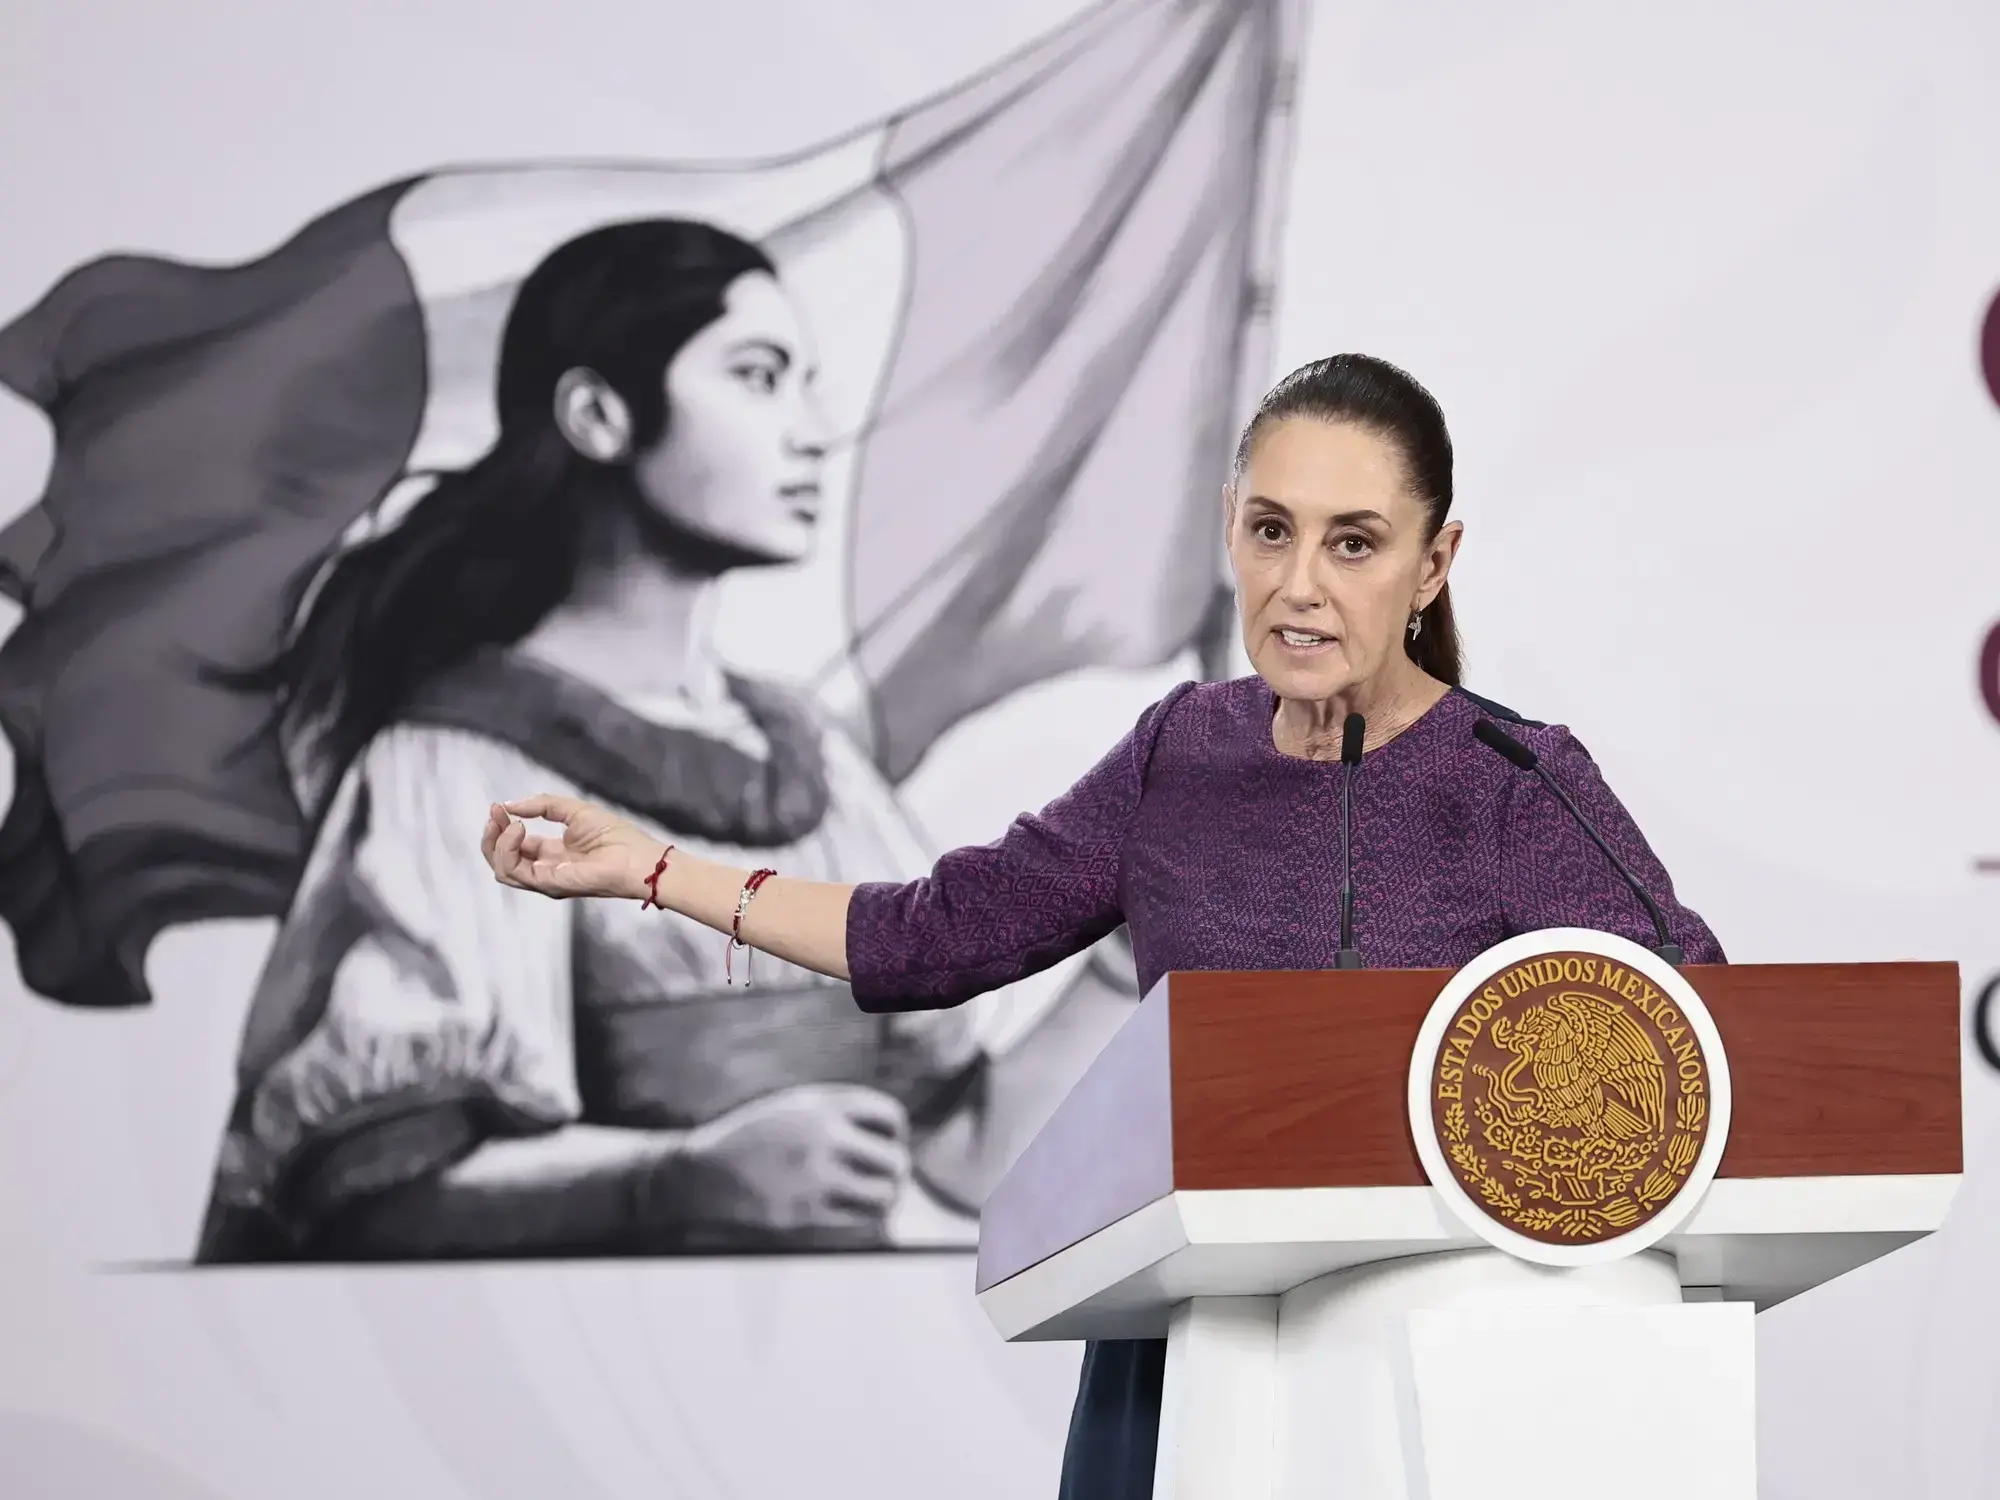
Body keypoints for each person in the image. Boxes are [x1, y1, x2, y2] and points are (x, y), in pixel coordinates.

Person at [477, 353, 1726, 1498]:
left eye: (1354, 545)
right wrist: (649, 868)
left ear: (1431, 565)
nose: (1297, 587)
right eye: (1268, 531)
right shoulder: (1177, 751)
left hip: (1422, 1359)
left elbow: (1695, 1026)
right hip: (1177, 1353)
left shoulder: (1515, 779)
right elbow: (932, 933)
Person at [196, 217, 1023, 1262]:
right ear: (597, 415)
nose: (813, 430)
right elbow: (370, 1190)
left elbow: (959, 1146)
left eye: (806, 382)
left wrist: (1132, 944)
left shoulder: (810, 757)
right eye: (759, 377)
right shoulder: (459, 764)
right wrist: (672, 1183)